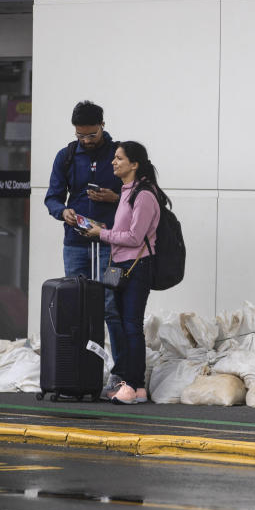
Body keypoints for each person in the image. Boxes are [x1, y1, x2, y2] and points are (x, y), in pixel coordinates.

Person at [44, 100, 122, 385]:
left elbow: (139, 192)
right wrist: (62, 211)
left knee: (113, 304)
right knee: (75, 305)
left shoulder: (118, 154)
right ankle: (77, 370)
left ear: (103, 125)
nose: (86, 141)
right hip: (75, 244)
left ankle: (119, 375)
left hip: (112, 244)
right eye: (81, 135)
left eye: (92, 135)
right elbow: (52, 197)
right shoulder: (65, 156)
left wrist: (114, 197)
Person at [86, 141, 165, 405]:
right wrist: (100, 228)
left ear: (135, 164)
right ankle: (137, 387)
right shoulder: (127, 191)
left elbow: (134, 236)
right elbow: (125, 230)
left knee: (131, 326)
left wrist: (102, 233)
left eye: (119, 158)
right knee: (122, 324)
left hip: (135, 268)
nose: (113, 162)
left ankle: (131, 385)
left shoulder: (143, 194)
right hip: (121, 267)